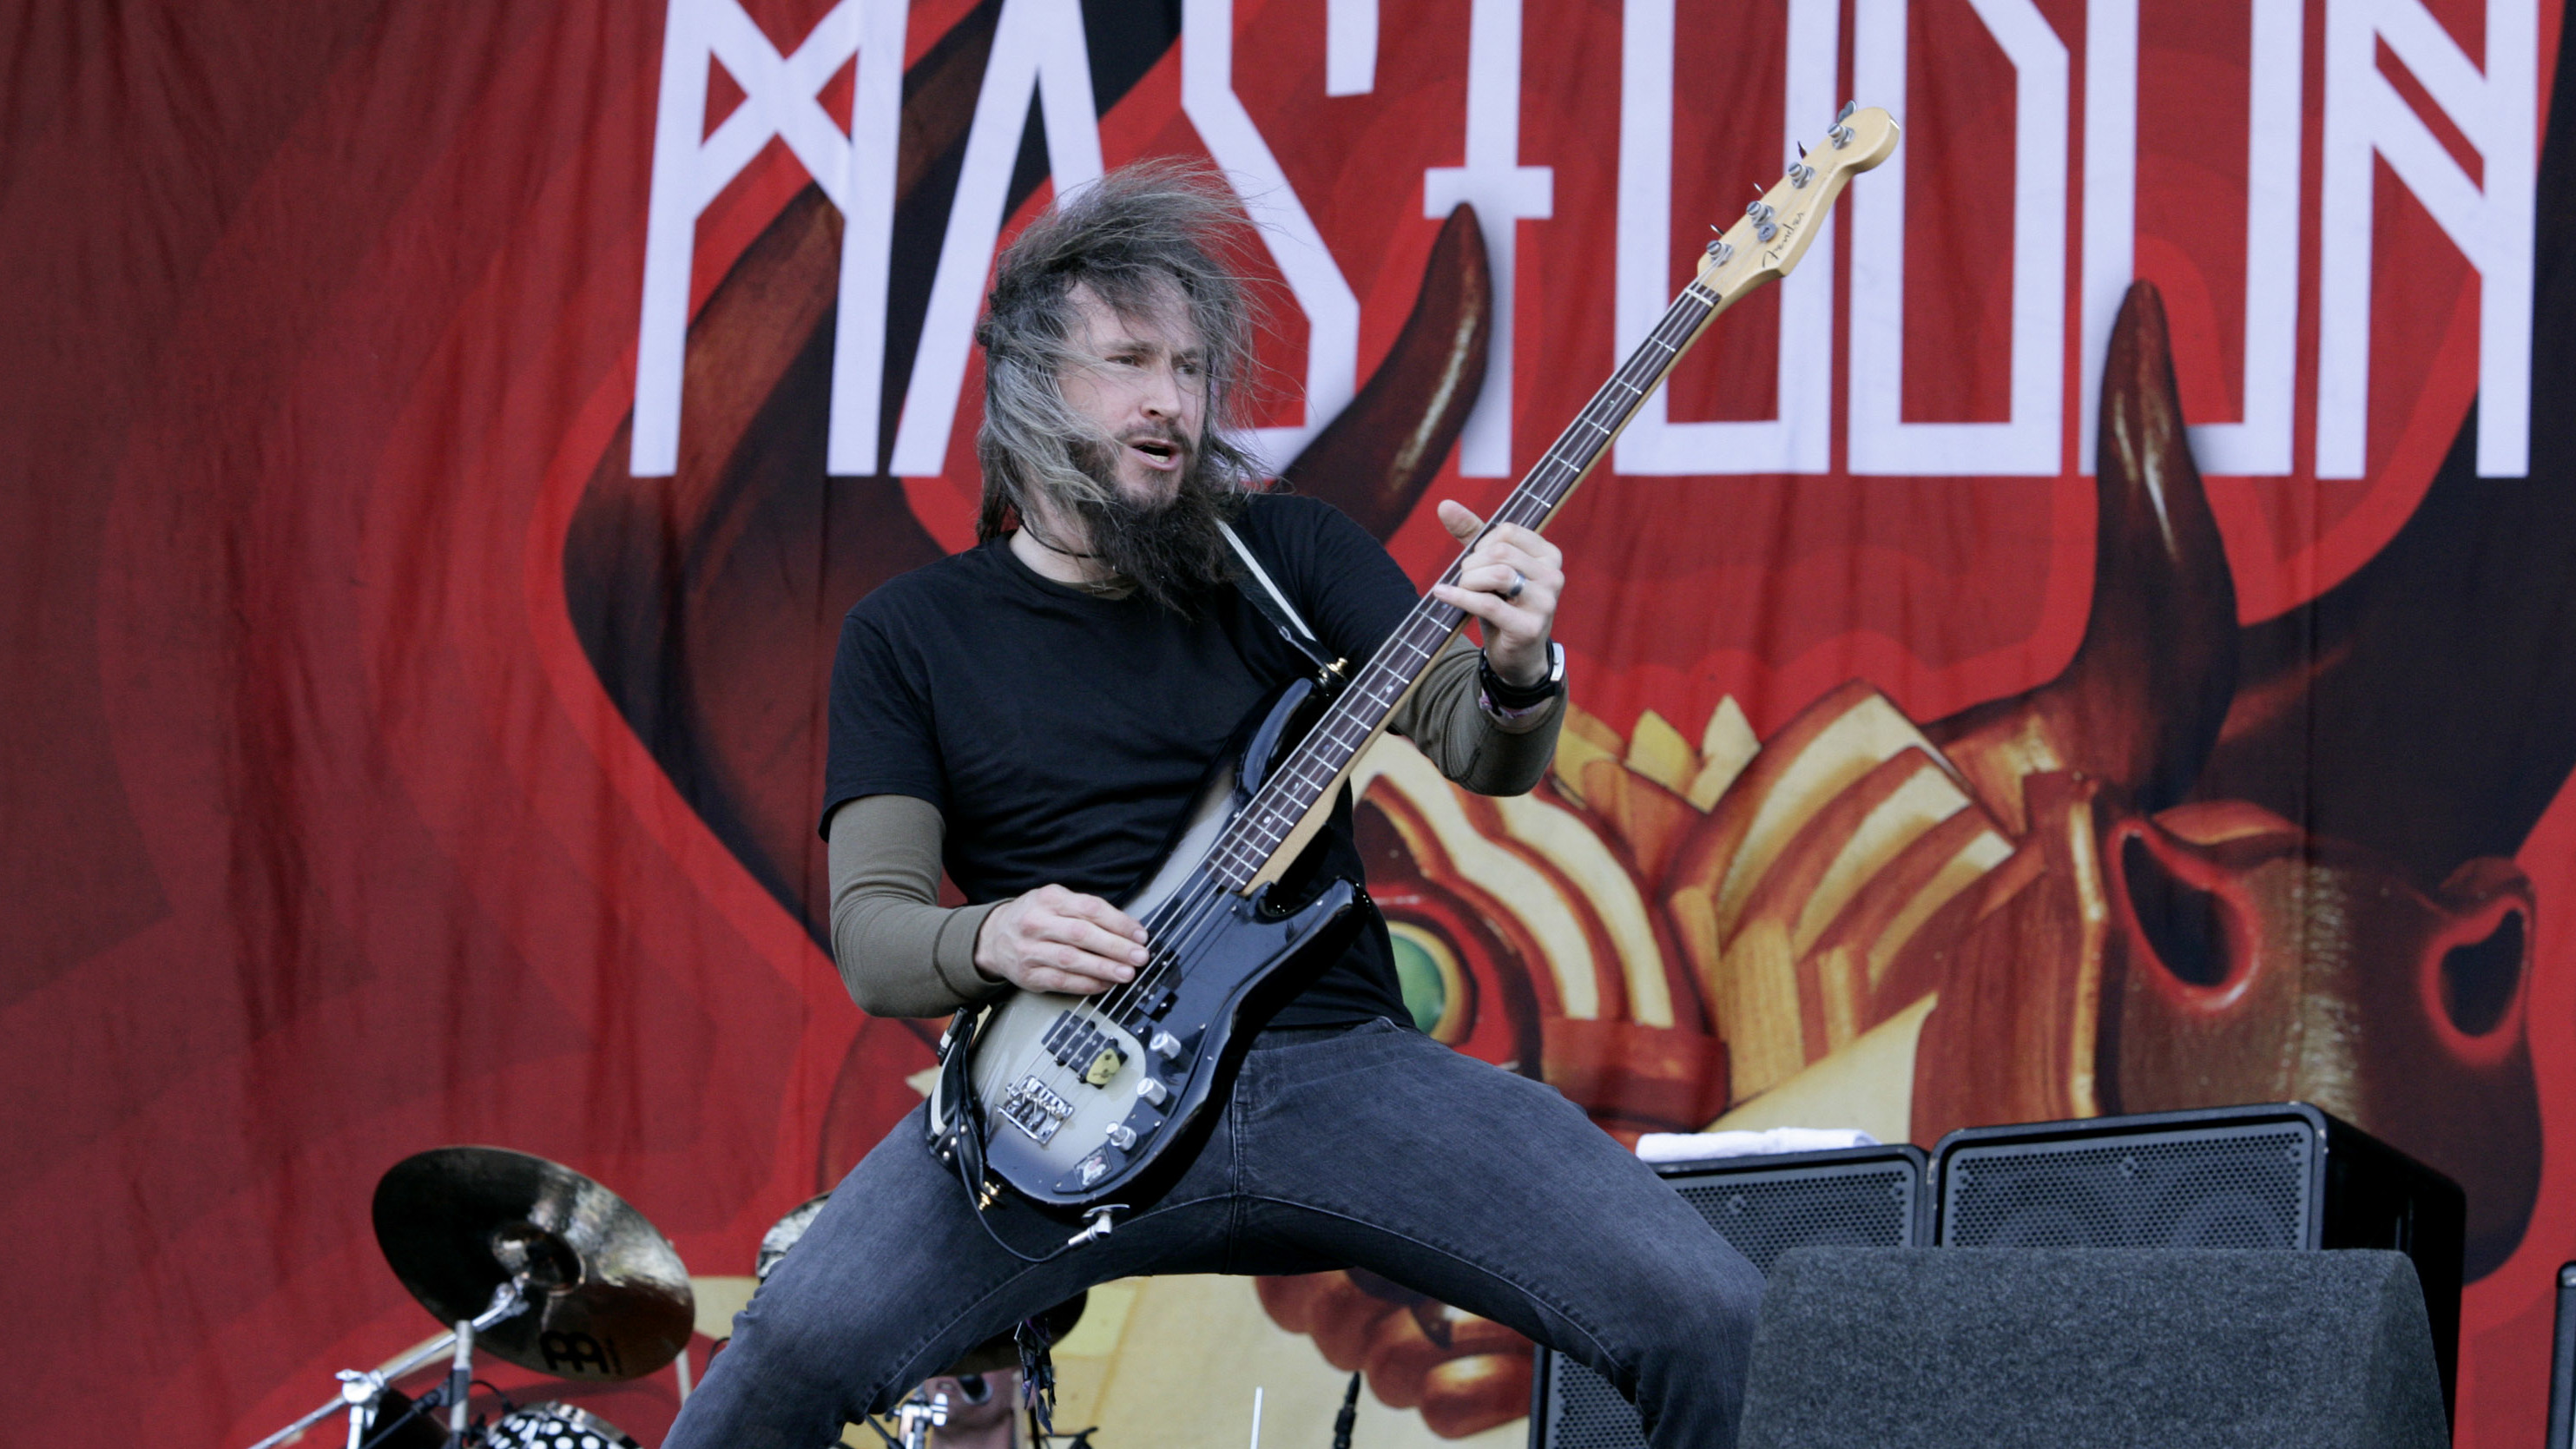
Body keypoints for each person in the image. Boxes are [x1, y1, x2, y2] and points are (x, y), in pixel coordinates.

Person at [662, 162, 1764, 1449]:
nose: (1171, 402)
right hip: (1051, 1093)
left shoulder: (1288, 553)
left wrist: (1520, 670)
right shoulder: (911, 634)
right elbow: (877, 931)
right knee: (785, 1355)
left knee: (1711, 1309)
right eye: (1130, 361)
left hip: (1336, 1065)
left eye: (1190, 369)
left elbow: (1478, 742)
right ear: (1030, 382)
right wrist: (993, 938)